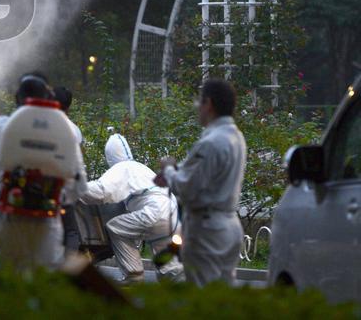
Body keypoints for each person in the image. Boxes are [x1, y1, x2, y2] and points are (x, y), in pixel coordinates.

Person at [0, 73, 87, 270]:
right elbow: (78, 186)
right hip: (46, 223)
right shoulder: (66, 131)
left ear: (16, 97)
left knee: (2, 277)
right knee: (41, 280)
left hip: (3, 219)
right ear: (48, 98)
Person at [154, 79, 247, 286]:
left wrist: (169, 169)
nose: (198, 108)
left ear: (209, 104)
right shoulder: (236, 137)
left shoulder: (211, 142)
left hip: (207, 230)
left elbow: (187, 187)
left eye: (200, 102)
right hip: (229, 224)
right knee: (223, 294)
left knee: (203, 293)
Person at [79, 134, 184, 283]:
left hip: (154, 211)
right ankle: (183, 291)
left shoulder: (122, 168)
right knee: (170, 266)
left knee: (115, 227)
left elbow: (101, 191)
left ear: (110, 156)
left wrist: (76, 187)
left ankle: (133, 275)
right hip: (171, 211)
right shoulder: (140, 167)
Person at [53, 85, 83, 258]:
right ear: (68, 106)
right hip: (65, 187)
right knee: (71, 231)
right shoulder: (74, 130)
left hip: (42, 184)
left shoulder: (42, 125)